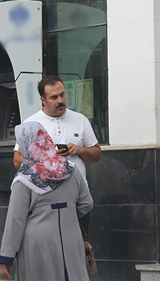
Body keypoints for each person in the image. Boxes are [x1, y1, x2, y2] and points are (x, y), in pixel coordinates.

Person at [0, 121, 102, 281]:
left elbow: (15, 220)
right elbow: (87, 204)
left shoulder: (25, 177)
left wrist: (7, 256)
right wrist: (66, 216)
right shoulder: (69, 168)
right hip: (70, 238)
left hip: (36, 245)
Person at [13, 75, 101, 232]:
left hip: (78, 200)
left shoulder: (80, 120)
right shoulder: (31, 124)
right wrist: (48, 155)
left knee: (80, 248)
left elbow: (96, 155)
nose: (60, 100)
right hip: (45, 202)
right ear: (43, 100)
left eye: (62, 94)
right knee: (51, 251)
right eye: (54, 97)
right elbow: (17, 161)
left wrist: (79, 150)